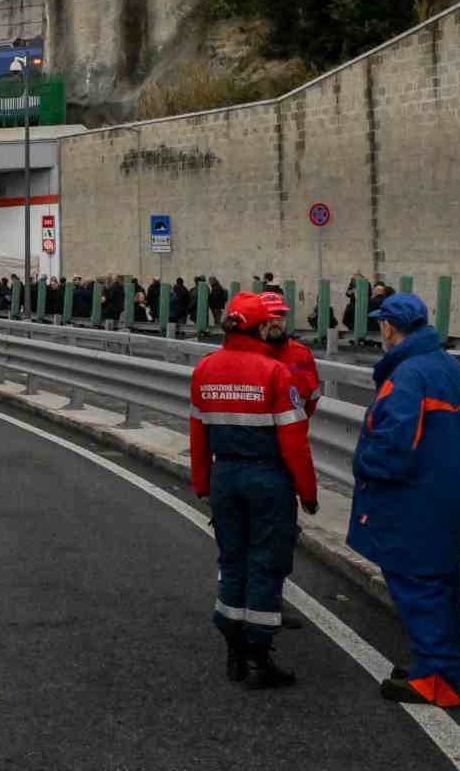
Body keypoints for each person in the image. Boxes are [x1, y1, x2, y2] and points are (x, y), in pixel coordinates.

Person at [348, 294, 460, 708]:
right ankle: (447, 666)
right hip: (448, 494)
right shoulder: (452, 368)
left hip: (412, 503)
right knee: (443, 586)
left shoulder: (407, 376)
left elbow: (393, 447)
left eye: (380, 325)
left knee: (418, 588)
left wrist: (362, 462)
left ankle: (435, 681)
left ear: (389, 327)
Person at [189, 292, 319, 689]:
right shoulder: (273, 372)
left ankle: (233, 645)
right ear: (260, 327)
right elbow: (295, 443)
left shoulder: (205, 368)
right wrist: (308, 492)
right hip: (268, 480)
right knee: (266, 563)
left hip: (224, 477)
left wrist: (201, 482)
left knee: (232, 561)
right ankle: (260, 656)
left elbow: (198, 434)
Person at [261, 292, 322, 417]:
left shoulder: (301, 354)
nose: (275, 322)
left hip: (293, 432)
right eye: (269, 317)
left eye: (280, 316)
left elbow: (312, 396)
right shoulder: (247, 354)